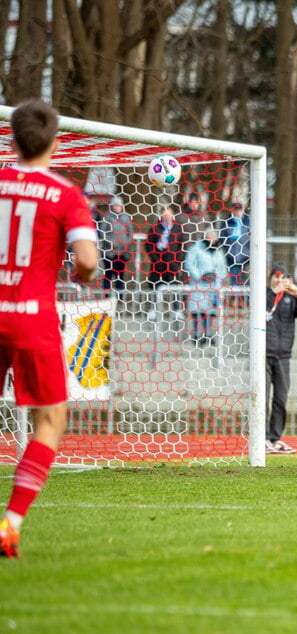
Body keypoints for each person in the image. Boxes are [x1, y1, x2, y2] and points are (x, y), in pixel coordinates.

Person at [0, 99, 99, 558]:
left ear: (13, 138)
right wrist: (82, 275)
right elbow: (86, 260)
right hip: (30, 315)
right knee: (50, 420)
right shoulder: (64, 195)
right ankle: (11, 523)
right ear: (56, 141)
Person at [265, 262, 297, 454]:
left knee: (281, 398)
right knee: (262, 397)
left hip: (283, 355)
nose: (280, 280)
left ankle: (275, 438)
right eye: (276, 276)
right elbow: (261, 311)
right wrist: (273, 293)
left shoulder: (290, 299)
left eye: (284, 277)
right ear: (270, 279)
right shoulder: (265, 295)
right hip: (264, 354)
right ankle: (262, 438)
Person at [183, 224, 228, 346]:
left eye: (213, 237)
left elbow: (223, 267)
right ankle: (197, 334)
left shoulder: (218, 251)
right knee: (198, 310)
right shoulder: (196, 248)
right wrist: (199, 276)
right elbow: (189, 264)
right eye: (209, 237)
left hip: (213, 285)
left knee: (210, 311)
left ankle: (208, 334)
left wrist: (217, 277)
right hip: (199, 285)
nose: (211, 240)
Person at [99, 195, 134, 298]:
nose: (117, 207)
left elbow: (130, 233)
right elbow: (102, 232)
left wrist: (126, 244)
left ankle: (120, 298)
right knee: (108, 275)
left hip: (122, 253)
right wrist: (111, 244)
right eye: (115, 205)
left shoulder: (126, 217)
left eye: (119, 205)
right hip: (109, 252)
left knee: (120, 276)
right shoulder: (107, 217)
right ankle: (106, 298)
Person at [145, 205, 184, 287]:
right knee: (156, 285)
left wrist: (177, 261)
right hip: (158, 264)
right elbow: (149, 246)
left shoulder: (177, 229)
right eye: (165, 215)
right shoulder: (155, 229)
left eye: (169, 215)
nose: (167, 217)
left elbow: (181, 245)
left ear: (172, 215)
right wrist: (156, 259)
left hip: (173, 264)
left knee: (173, 287)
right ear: (161, 216)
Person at [219, 201, 250, 286]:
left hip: (246, 257)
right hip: (231, 256)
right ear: (231, 210)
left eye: (239, 210)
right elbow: (222, 237)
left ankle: (244, 298)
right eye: (235, 210)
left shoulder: (248, 221)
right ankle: (234, 298)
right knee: (234, 278)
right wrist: (227, 249)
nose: (237, 212)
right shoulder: (227, 222)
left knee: (245, 279)